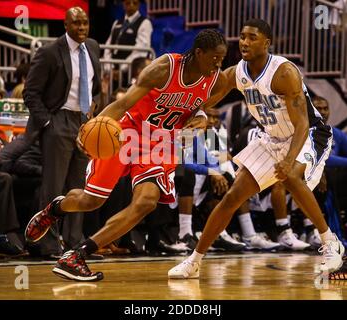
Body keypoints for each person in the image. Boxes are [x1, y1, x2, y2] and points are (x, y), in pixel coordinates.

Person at [25, 29, 228, 281]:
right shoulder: (165, 68)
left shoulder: (215, 79)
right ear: (199, 52)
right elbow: (122, 105)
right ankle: (56, 209)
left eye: (222, 59)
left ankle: (76, 255)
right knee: (91, 200)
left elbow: (198, 107)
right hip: (127, 133)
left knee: (146, 202)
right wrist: (91, 127)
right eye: (215, 58)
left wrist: (200, 118)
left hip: (160, 145)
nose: (219, 64)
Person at [168, 19, 344, 279]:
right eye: (241, 37)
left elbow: (302, 123)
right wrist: (194, 116)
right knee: (232, 197)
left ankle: (330, 242)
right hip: (271, 137)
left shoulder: (283, 72)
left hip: (308, 135)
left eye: (252, 37)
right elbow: (206, 98)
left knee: (292, 176)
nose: (244, 42)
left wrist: (289, 159)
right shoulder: (236, 72)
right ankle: (194, 261)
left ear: (267, 43)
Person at [23, 7, 101, 257]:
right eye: (76, 23)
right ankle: (46, 244)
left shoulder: (93, 47)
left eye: (85, 23)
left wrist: (93, 113)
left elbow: (95, 86)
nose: (81, 28)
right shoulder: (49, 52)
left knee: (80, 186)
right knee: (54, 187)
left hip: (84, 122)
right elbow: (30, 92)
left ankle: (74, 243)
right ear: (65, 25)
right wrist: (47, 123)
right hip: (59, 120)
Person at [103, 0, 153, 87]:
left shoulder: (145, 23)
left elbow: (140, 51)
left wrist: (122, 69)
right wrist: (109, 68)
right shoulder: (116, 23)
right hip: (113, 71)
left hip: (130, 72)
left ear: (138, 4)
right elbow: (107, 47)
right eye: (128, 3)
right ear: (123, 4)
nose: (131, 6)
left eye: (134, 3)